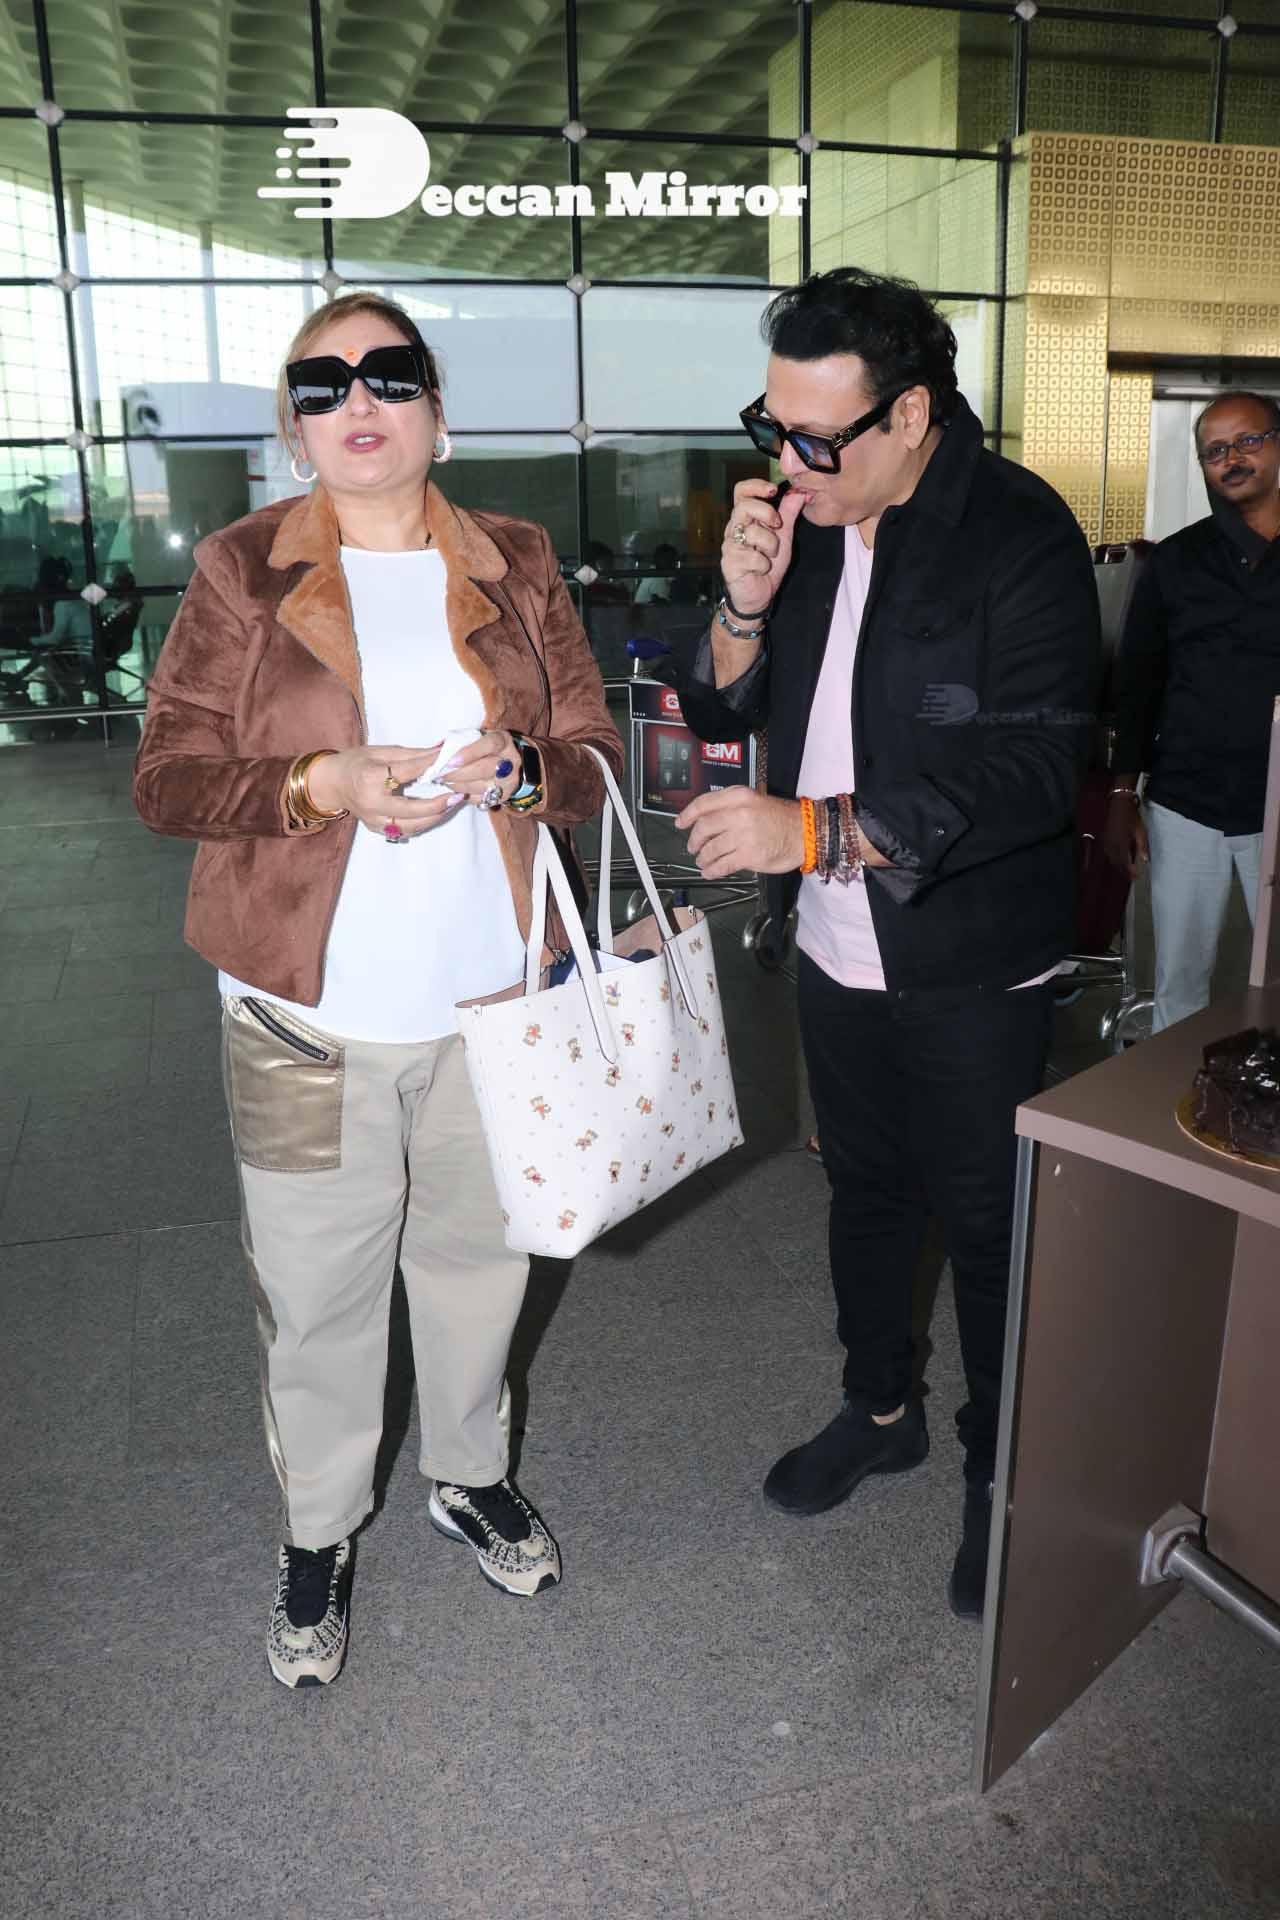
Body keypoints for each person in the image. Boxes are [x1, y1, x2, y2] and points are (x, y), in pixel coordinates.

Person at [134, 292, 623, 1688]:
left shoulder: (516, 561)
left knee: (479, 1268)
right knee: (318, 1293)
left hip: (492, 1005)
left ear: (435, 413)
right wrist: (321, 782)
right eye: (322, 383)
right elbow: (167, 778)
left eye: (389, 374)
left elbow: (592, 758)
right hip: (302, 1013)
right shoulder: (241, 569)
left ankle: (468, 1474)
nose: (358, 400)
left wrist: (523, 770)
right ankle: (317, 1532)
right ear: (295, 430)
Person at [670, 268, 1098, 1621]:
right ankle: (879, 1409)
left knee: (985, 1223)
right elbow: (719, 709)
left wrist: (818, 831)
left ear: (909, 413)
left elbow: (1038, 768)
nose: (786, 463)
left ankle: (998, 1470)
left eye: (815, 436)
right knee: (863, 1193)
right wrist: (742, 602)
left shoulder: (1018, 531)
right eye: (770, 428)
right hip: (831, 946)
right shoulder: (805, 520)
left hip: (969, 955)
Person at [1105, 392, 1280, 1030]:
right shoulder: (1175, 562)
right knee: (1178, 985)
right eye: (1215, 451)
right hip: (1186, 805)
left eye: (1248, 441)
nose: (1232, 458)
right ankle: (1171, 1091)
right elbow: (1138, 682)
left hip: (1277, 807)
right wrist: (1122, 794)